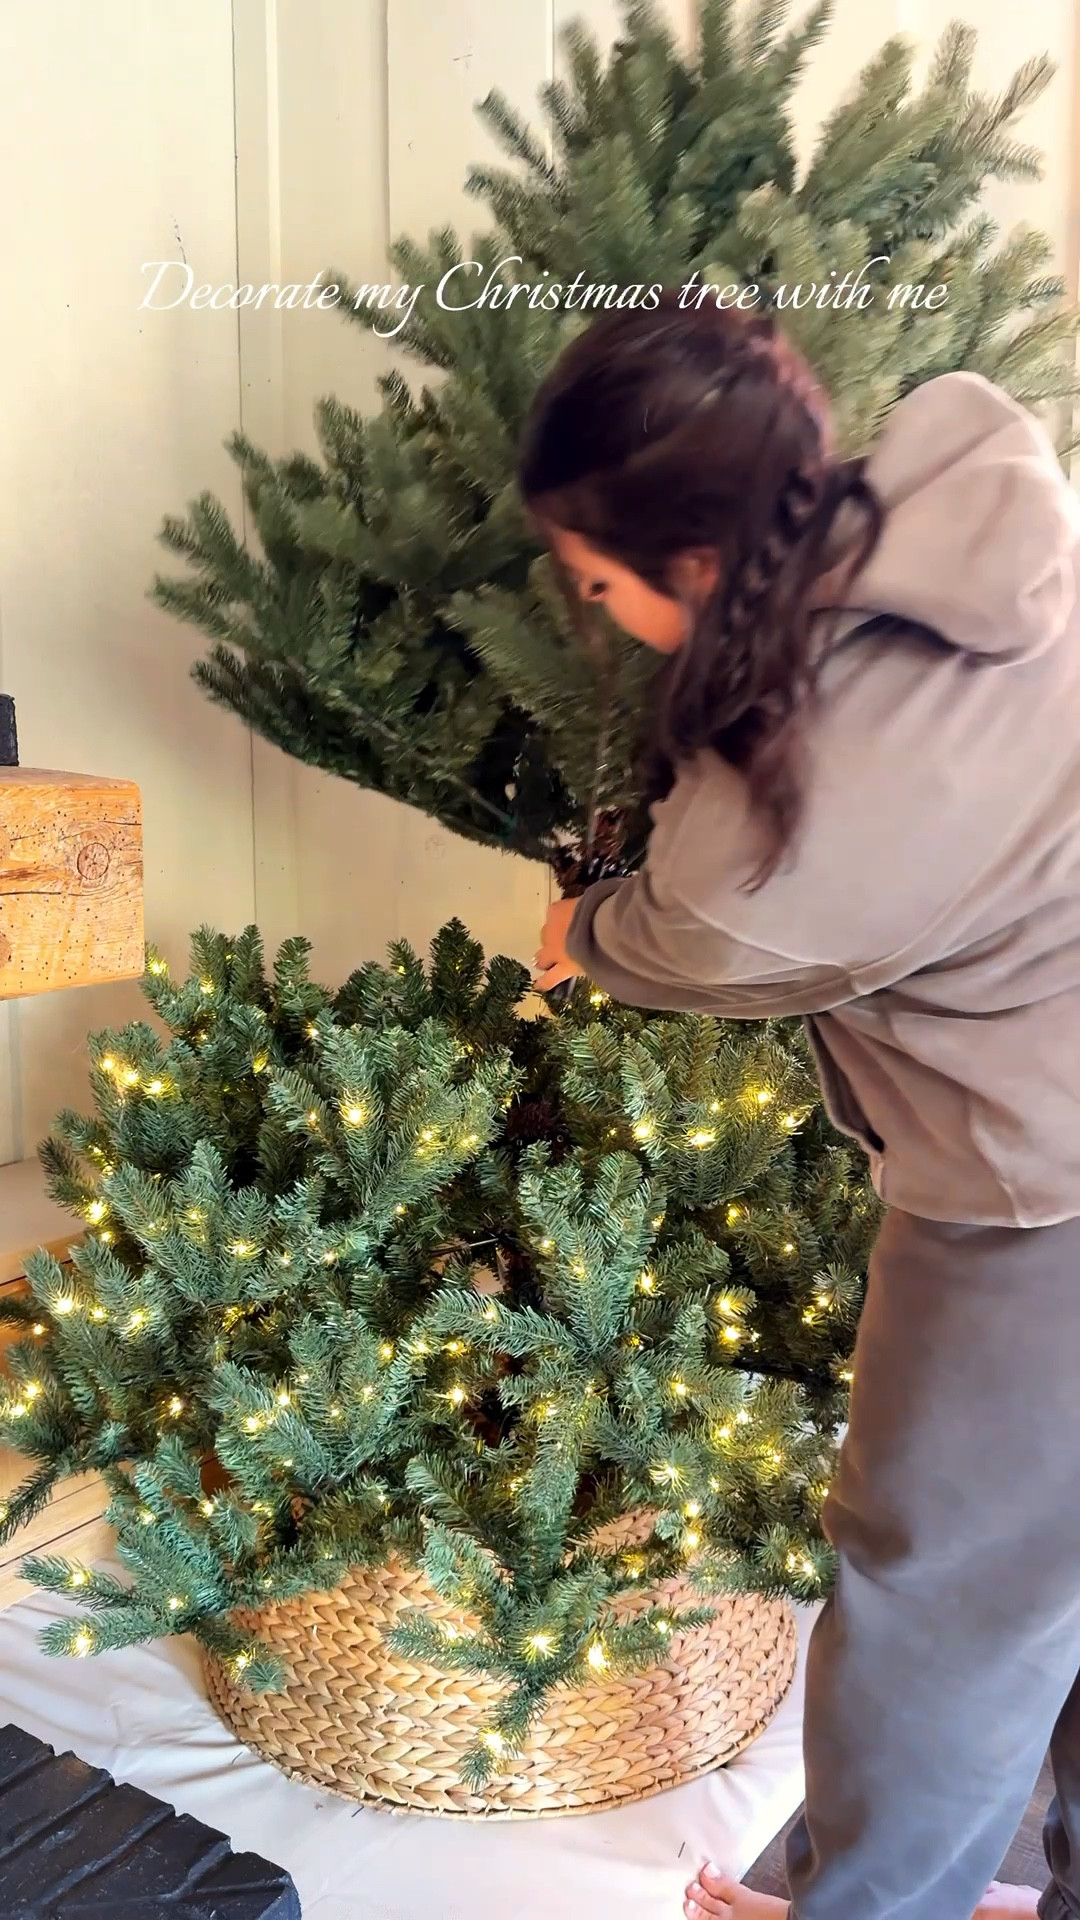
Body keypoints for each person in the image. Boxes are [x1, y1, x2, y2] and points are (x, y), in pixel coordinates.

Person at [520, 288, 1080, 1920]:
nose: (589, 606)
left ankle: (881, 1904)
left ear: (688, 566)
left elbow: (694, 936)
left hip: (1042, 1204)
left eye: (591, 579)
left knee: (937, 1609)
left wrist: (580, 934)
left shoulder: (795, 833)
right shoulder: (967, 503)